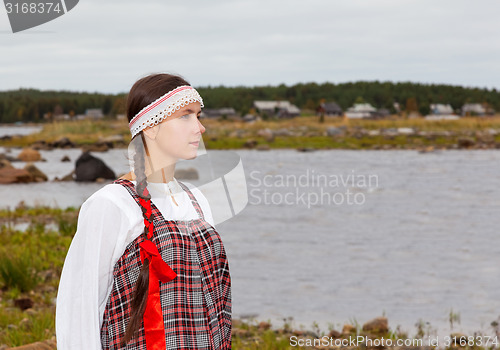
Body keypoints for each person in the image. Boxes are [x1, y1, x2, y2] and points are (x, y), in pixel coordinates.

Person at [56, 73, 232, 349]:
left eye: (199, 116)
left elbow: (214, 304)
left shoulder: (197, 200)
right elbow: (80, 308)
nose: (200, 128)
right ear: (150, 127)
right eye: (186, 116)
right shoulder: (111, 204)